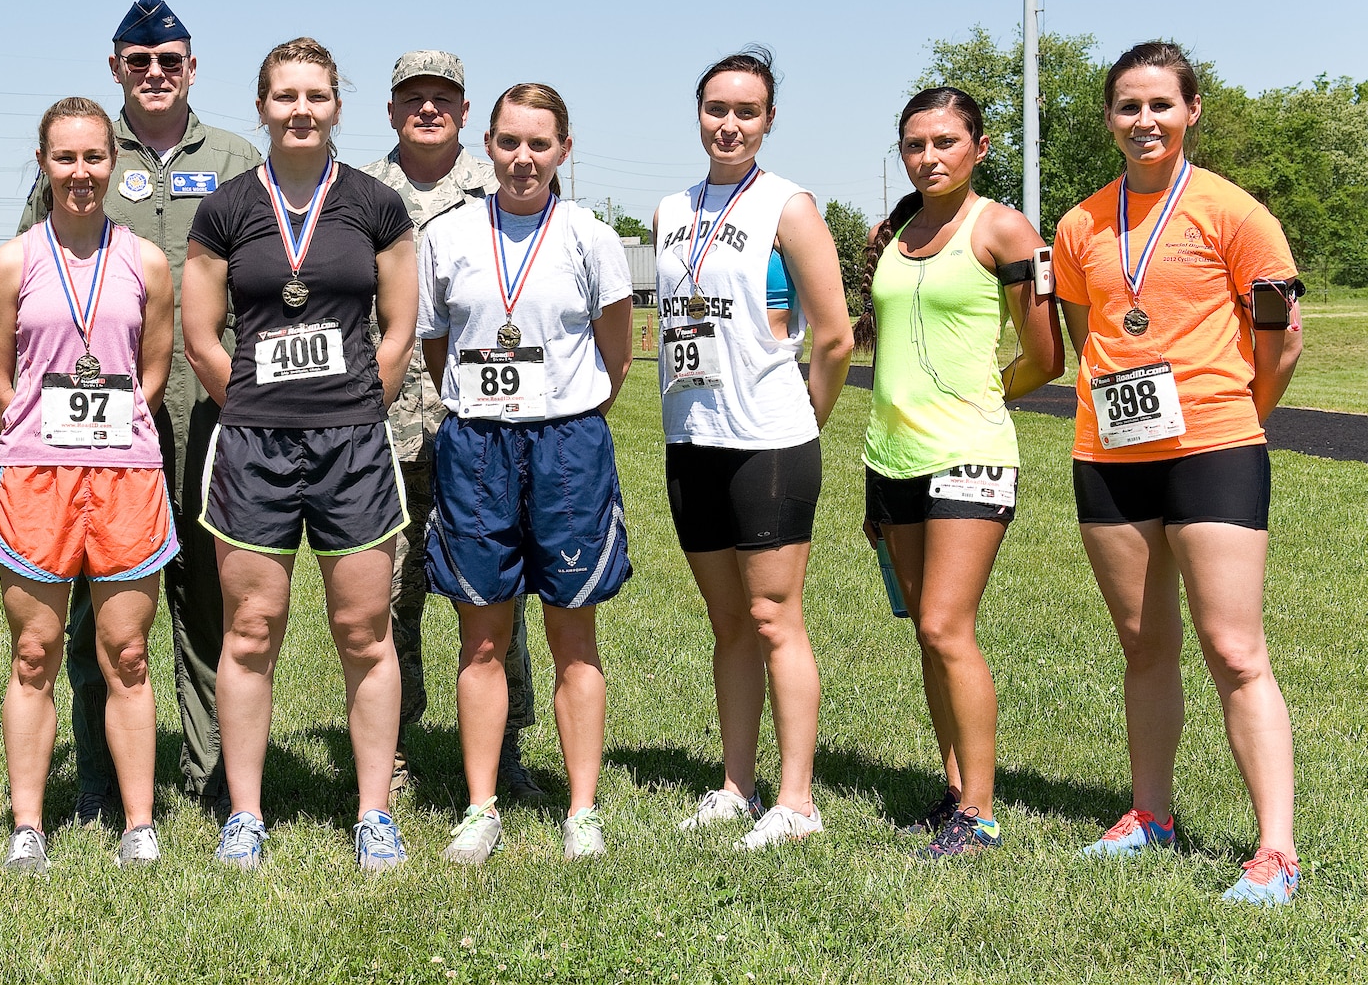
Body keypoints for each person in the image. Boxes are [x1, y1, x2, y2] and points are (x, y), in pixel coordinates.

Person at [1054, 41, 1304, 905]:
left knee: (1235, 648)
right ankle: (1150, 816)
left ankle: (1275, 851)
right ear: (1111, 119)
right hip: (1111, 454)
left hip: (1214, 448)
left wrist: (1240, 417)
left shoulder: (1236, 213)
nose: (1144, 120)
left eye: (1161, 104)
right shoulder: (1081, 223)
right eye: (1128, 106)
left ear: (1191, 110)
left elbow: (1282, 339)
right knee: (1143, 644)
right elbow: (1093, 333)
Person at [18, 0, 260, 821]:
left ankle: (215, 773)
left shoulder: (234, 157)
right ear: (116, 66)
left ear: (192, 68)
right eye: (138, 61)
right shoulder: (82, 150)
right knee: (94, 608)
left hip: (212, 412)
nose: (154, 73)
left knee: (211, 593)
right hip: (94, 428)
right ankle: (96, 780)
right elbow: (26, 279)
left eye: (170, 61)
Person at [183, 37, 417, 870]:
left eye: (316, 95)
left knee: (364, 632)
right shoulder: (226, 208)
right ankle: (245, 813)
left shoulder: (374, 204)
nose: (301, 109)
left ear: (337, 107)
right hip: (252, 445)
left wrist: (361, 401)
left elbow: (397, 327)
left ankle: (373, 814)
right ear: (262, 106)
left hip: (352, 444)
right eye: (285, 95)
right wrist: (243, 402)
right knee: (250, 631)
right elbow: (199, 330)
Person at [420, 83, 634, 864]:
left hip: (566, 446)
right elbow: (438, 343)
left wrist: (566, 413)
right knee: (482, 636)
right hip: (476, 446)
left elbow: (618, 352)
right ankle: (481, 807)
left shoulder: (590, 236)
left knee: (574, 632)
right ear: (489, 145)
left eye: (539, 144)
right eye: (509, 142)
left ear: (564, 151)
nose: (522, 159)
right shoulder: (446, 237)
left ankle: (582, 810)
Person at [651, 49, 854, 851]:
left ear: (769, 120)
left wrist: (808, 414)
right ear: (697, 113)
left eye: (746, 111)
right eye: (716, 108)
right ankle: (736, 784)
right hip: (690, 434)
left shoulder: (789, 206)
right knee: (727, 620)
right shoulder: (672, 210)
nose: (728, 123)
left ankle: (797, 800)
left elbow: (834, 335)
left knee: (775, 618)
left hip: (769, 438)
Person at [855, 86, 1063, 859]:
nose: (929, 157)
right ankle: (952, 794)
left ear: (978, 147)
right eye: (915, 145)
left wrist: (987, 393)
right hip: (891, 458)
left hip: (971, 455)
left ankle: (979, 814)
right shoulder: (896, 230)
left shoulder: (1002, 228)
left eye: (945, 142)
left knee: (948, 626)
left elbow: (1048, 356)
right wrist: (871, 475)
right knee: (924, 635)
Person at [0, 97, 177, 871]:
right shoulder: (13, 260)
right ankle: (28, 825)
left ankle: (138, 824)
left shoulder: (145, 261)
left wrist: (109, 431)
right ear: (43, 163)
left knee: (126, 652)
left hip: (127, 475)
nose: (81, 172)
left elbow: (154, 369)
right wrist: (42, 430)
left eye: (95, 157)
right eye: (66, 157)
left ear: (115, 163)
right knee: (35, 650)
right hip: (35, 475)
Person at [360, 50, 542, 799]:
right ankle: (395, 752)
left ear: (466, 112)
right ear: (393, 109)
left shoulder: (501, 183)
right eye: (414, 98)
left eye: (443, 98)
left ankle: (506, 751)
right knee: (390, 596)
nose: (428, 109)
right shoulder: (360, 192)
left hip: (483, 424)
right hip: (387, 429)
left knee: (499, 593)